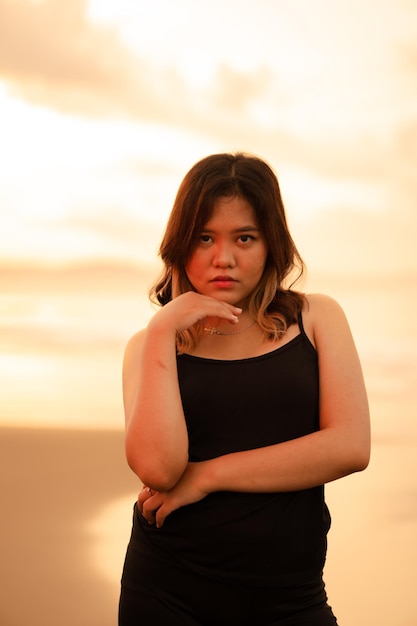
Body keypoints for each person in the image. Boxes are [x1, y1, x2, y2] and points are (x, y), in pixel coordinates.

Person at [118, 152, 370, 626]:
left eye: (245, 238)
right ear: (179, 245)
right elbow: (157, 466)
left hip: (289, 596)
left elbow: (350, 446)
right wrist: (161, 333)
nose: (224, 258)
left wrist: (206, 477)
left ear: (271, 244)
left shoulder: (315, 319)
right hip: (167, 590)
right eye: (204, 237)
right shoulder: (148, 348)